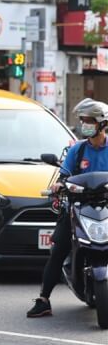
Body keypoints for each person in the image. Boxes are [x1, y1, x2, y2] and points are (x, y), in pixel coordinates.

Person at [27, 98, 108, 317]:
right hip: (79, 207)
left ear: (102, 123)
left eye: (89, 120)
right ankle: (44, 299)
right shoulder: (78, 151)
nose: (85, 125)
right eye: (83, 121)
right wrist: (58, 186)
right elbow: (64, 176)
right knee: (59, 247)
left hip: (107, 206)